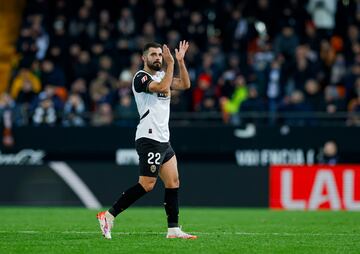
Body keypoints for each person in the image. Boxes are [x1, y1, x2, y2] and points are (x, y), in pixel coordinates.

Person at [96, 41, 197, 239]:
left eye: (160, 55)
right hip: (148, 137)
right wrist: (170, 66)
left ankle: (173, 229)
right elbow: (161, 86)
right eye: (154, 55)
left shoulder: (162, 75)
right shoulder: (140, 78)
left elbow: (185, 84)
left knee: (173, 181)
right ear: (144, 58)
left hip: (163, 138)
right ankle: (108, 215)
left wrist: (179, 61)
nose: (158, 58)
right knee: (147, 184)